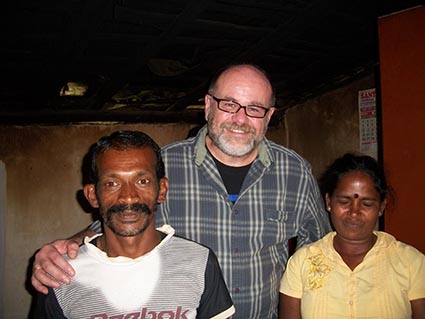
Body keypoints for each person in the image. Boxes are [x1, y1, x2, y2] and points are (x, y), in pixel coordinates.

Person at [31, 64, 332, 318]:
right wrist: (64, 250)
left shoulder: (296, 172)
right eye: (229, 104)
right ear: (208, 105)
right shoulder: (164, 165)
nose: (240, 119)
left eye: (254, 108)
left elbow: (318, 253)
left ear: (268, 115)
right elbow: (121, 216)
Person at [33, 130, 235, 319]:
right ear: (93, 195)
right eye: (112, 183)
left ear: (162, 190)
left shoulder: (199, 261)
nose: (128, 197)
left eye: (142, 181)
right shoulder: (60, 273)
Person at [279, 153, 425, 319]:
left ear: (381, 207)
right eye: (344, 202)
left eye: (367, 204)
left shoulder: (411, 263)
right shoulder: (301, 263)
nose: (354, 213)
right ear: (328, 202)